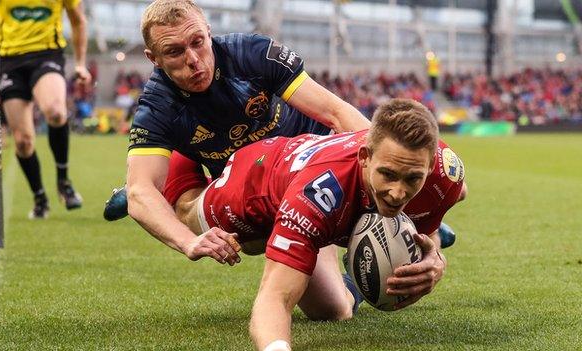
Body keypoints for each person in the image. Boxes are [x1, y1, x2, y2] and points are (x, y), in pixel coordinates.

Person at [171, 98, 446, 350]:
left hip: (312, 185)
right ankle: (177, 150)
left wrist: (435, 256)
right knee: (186, 209)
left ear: (431, 165)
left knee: (334, 310)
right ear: (365, 157)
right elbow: (274, 299)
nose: (398, 193)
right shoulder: (315, 197)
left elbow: (445, 204)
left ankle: (336, 244)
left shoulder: (445, 175)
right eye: (387, 174)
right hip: (250, 190)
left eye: (412, 179)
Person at [110, 0, 370, 264]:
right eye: (175, 51)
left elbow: (336, 112)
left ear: (209, 33)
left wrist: (384, 158)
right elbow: (140, 195)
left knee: (332, 306)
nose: (193, 60)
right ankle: (158, 179)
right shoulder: (156, 107)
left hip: (303, 153)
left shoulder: (254, 54)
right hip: (242, 176)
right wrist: (189, 242)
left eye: (198, 42)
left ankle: (351, 288)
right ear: (153, 59)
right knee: (249, 239)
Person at [0, 0, 91, 218]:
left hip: (46, 55)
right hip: (9, 60)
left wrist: (80, 63)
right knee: (22, 141)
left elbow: (78, 21)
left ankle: (63, 181)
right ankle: (39, 197)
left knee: (56, 111)